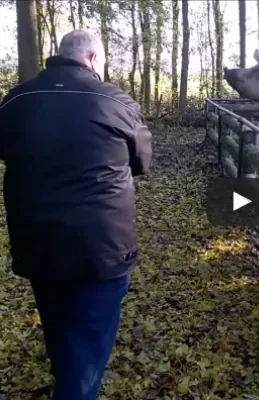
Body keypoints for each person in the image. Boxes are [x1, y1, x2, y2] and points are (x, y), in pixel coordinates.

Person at [0, 30, 152, 399]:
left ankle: (64, 371)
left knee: (56, 320)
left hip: (37, 242)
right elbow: (142, 162)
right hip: (101, 248)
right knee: (87, 353)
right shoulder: (115, 101)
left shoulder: (16, 100)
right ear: (92, 59)